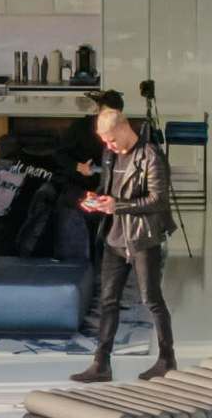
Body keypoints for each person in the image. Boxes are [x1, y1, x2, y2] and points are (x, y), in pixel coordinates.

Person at [73, 98, 173, 383]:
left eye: (112, 141)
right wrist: (96, 199)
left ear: (125, 128)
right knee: (108, 301)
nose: (109, 147)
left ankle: (167, 359)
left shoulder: (150, 155)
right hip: (114, 237)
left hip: (142, 238)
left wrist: (117, 206)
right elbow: (108, 189)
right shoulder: (109, 156)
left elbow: (158, 200)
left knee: (151, 299)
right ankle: (101, 364)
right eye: (105, 142)